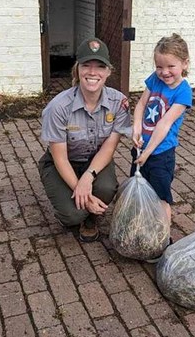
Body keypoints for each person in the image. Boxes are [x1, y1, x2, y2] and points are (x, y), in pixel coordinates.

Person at [39, 38, 131, 242]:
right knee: (72, 215)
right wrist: (80, 189)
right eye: (86, 65)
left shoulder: (119, 103)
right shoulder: (58, 107)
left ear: (108, 71)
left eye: (100, 66)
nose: (92, 72)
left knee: (106, 188)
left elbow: (109, 147)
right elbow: (60, 158)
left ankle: (91, 219)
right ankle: (77, 213)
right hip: (62, 162)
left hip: (95, 159)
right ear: (77, 70)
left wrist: (88, 178)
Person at [131, 33, 192, 239]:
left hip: (160, 153)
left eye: (170, 66)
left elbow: (165, 124)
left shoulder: (183, 92)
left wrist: (148, 153)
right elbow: (141, 104)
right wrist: (136, 128)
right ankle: (141, 227)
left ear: (184, 63)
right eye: (159, 66)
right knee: (139, 191)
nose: (164, 72)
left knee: (160, 197)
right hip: (141, 150)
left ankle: (162, 237)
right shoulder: (155, 80)